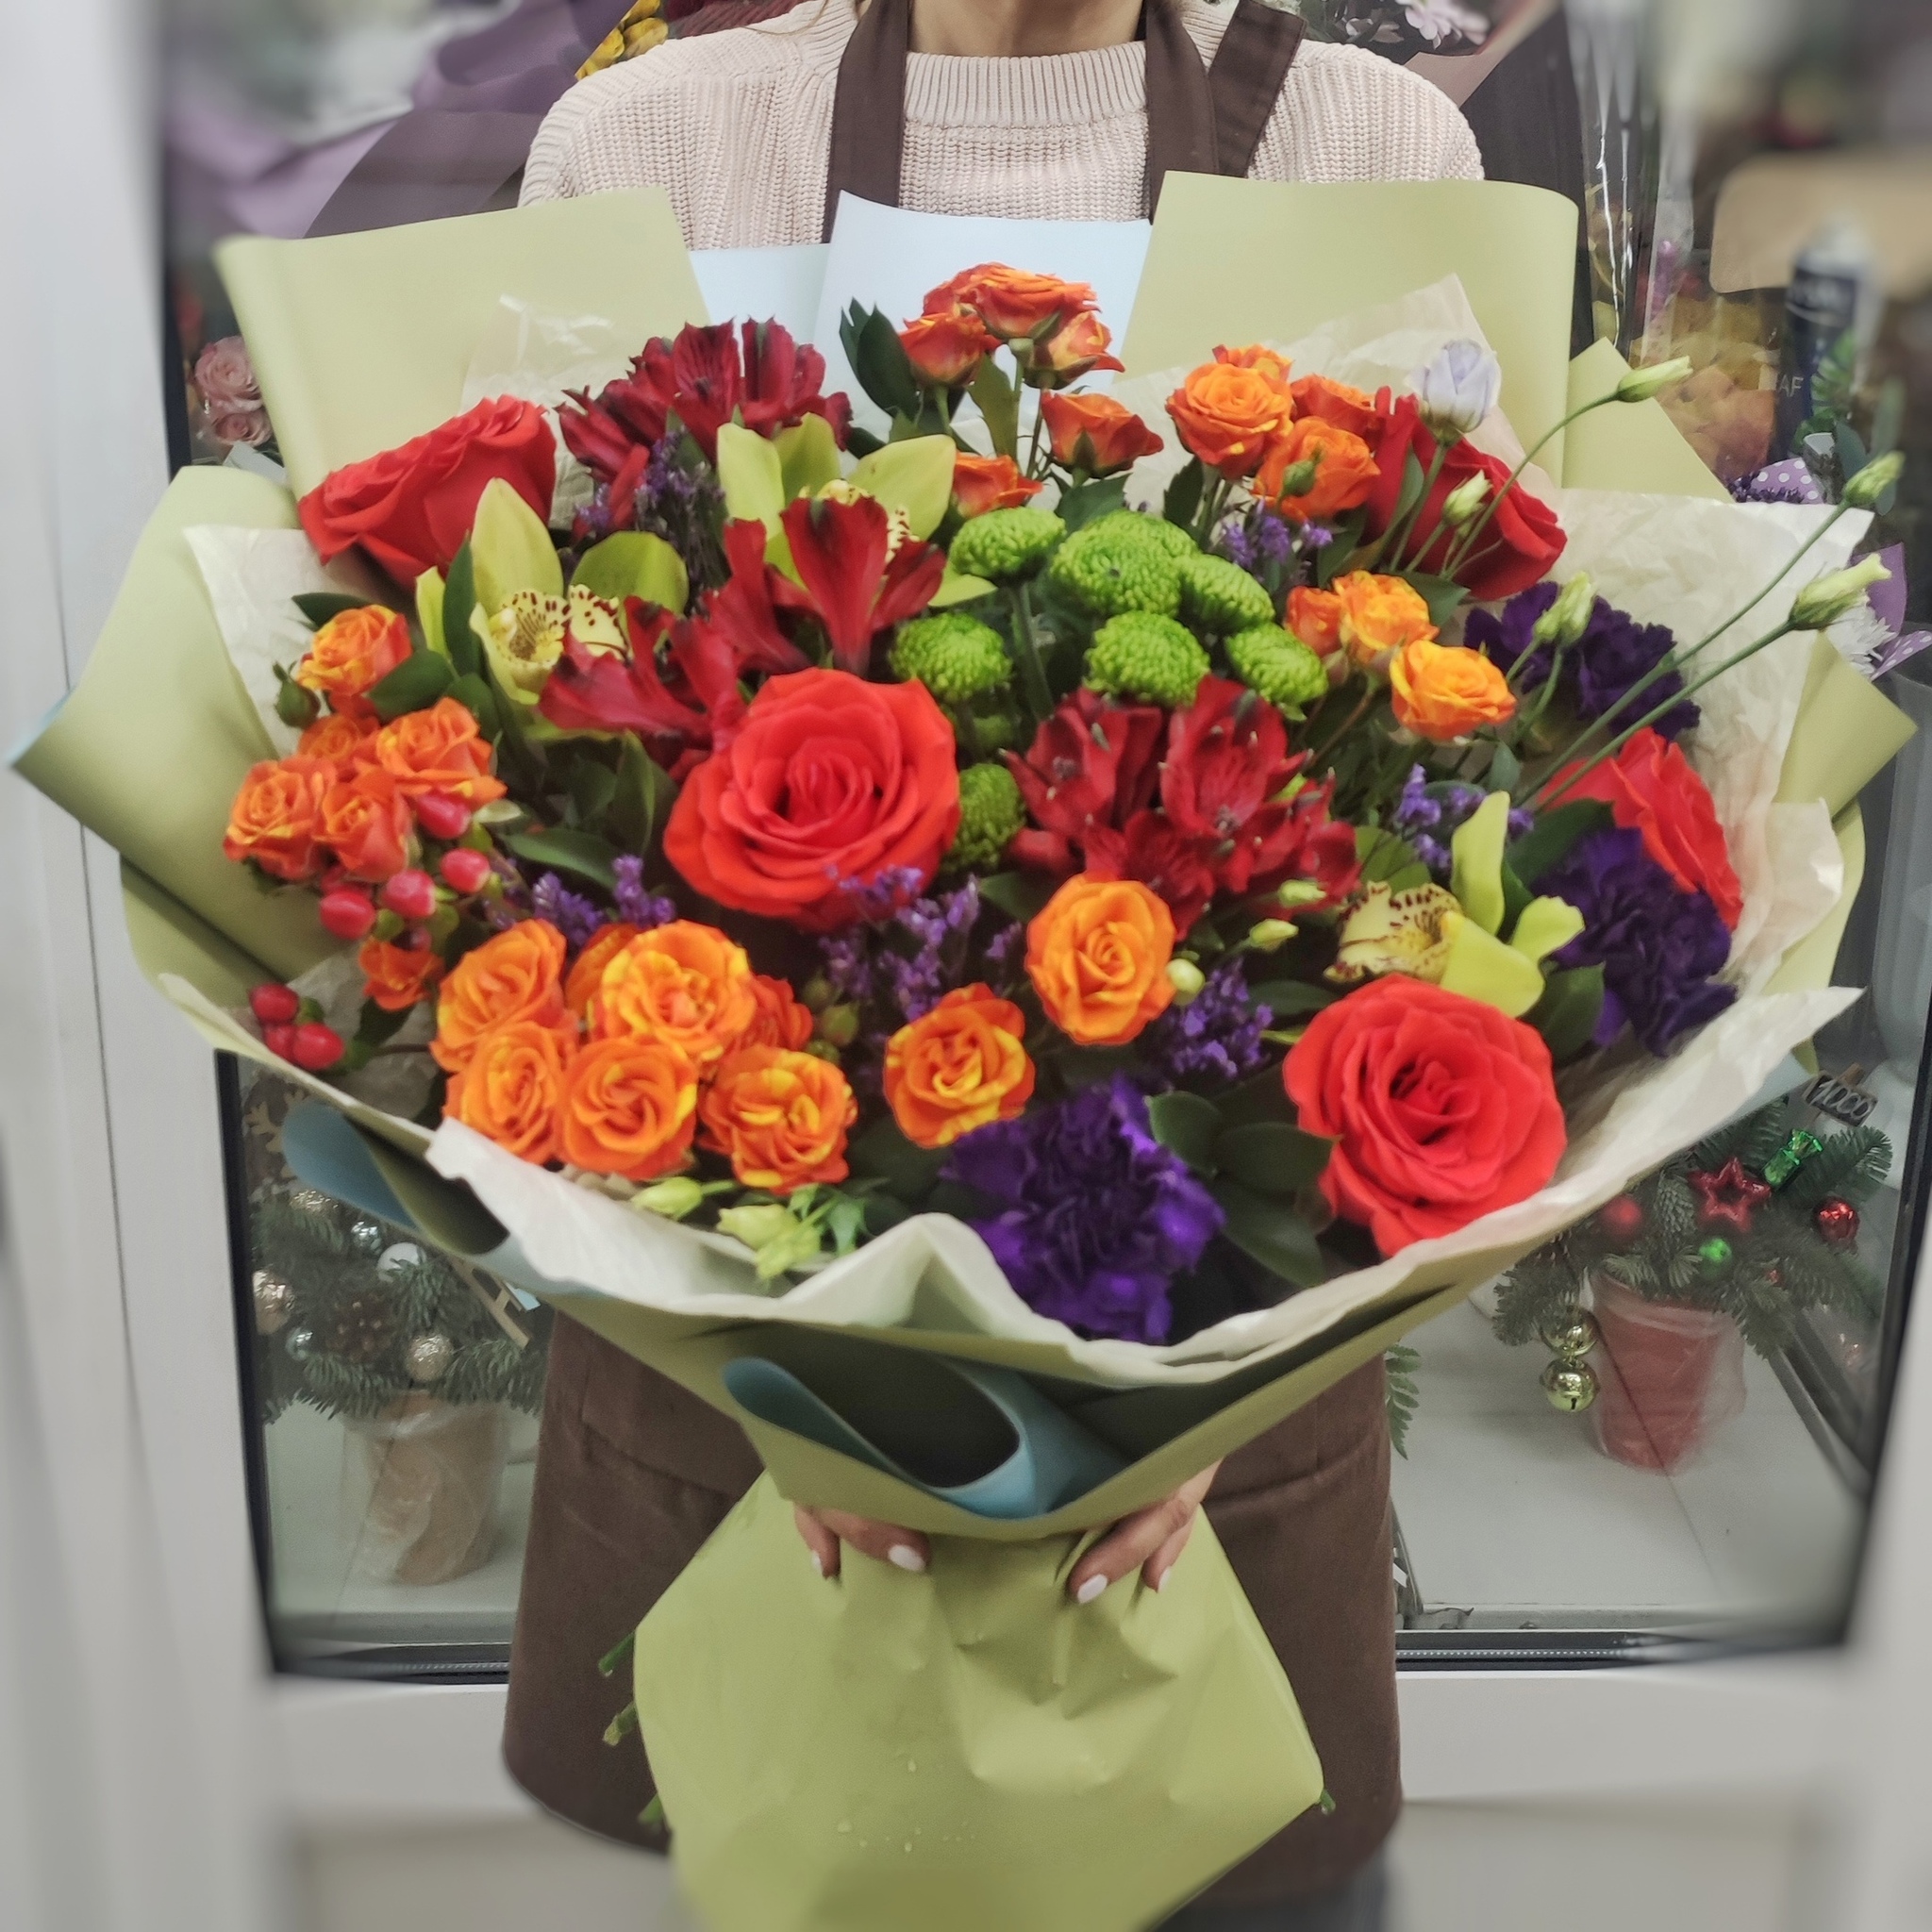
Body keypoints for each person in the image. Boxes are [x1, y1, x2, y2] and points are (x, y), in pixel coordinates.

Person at [506, 5, 1483, 1924]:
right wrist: (802, 1395)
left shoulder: (1375, 150)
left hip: (1204, 1502)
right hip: (751, 1482)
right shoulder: (649, 150)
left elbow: (1450, 859)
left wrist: (1181, 1406)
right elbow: (522, 782)